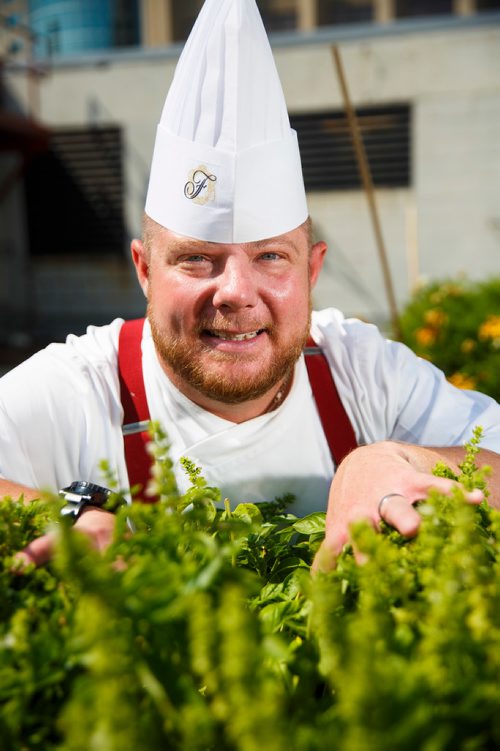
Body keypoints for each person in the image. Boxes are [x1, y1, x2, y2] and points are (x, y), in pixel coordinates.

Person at [1, 0, 499, 570]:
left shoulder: (361, 372)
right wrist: (63, 513)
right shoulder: (80, 388)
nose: (236, 291)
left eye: (270, 256)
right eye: (196, 259)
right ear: (144, 270)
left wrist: (398, 459)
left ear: (312, 272)